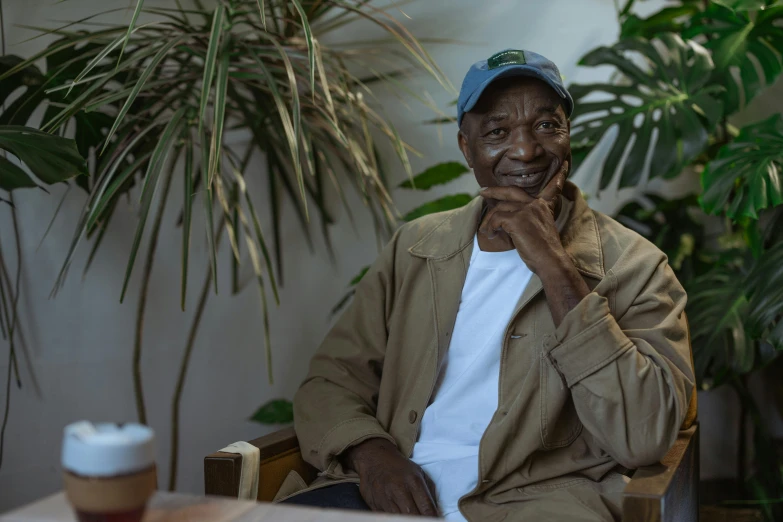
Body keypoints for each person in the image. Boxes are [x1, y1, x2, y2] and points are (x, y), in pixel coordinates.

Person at [280, 49, 695, 522]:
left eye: (546, 126)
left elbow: (644, 435)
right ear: (466, 147)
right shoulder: (415, 248)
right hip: (388, 493)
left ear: (568, 135)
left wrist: (557, 268)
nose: (525, 151)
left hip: (541, 503)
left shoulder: (635, 266)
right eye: (497, 133)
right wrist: (373, 455)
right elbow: (331, 380)